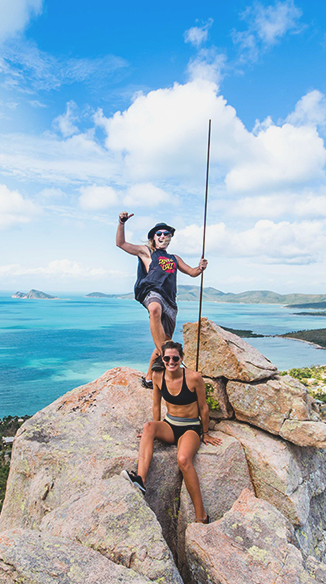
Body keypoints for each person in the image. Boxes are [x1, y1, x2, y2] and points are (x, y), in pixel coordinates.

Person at [123, 341, 222, 523]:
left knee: (183, 460)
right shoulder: (158, 376)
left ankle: (202, 516)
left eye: (175, 358)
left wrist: (205, 433)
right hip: (169, 424)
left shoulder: (193, 378)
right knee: (147, 428)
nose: (171, 361)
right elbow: (155, 404)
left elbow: (204, 408)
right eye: (167, 358)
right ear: (162, 358)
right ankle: (140, 480)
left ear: (181, 358)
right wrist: (153, 430)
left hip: (190, 427)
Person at [116, 212, 207, 383]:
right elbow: (120, 244)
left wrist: (200, 267)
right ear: (153, 237)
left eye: (166, 234)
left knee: (165, 339)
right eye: (159, 233)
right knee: (154, 309)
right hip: (152, 292)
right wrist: (122, 223)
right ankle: (166, 354)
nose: (163, 236)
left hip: (170, 301)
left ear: (170, 238)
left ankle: (149, 378)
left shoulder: (174, 258)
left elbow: (192, 273)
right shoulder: (147, 252)